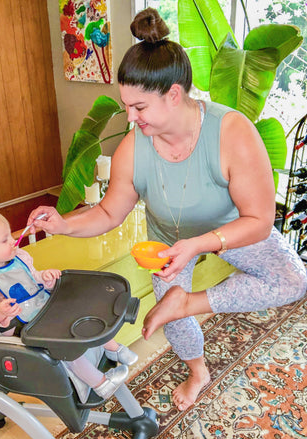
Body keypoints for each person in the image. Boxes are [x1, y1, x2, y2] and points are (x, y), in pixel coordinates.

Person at [26, 8, 307, 411]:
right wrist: (62, 224)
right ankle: (198, 371)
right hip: (167, 243)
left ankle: (185, 302)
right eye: (127, 106)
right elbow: (108, 214)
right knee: (172, 317)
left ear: (174, 94)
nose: (130, 117)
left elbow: (260, 221)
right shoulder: (134, 148)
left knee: (294, 279)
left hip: (232, 230)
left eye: (139, 107)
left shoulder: (232, 133)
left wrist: (199, 246)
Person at [0, 210, 138, 400]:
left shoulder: (19, 258)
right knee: (65, 348)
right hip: (24, 326)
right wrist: (1, 311)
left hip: (43, 310)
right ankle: (101, 384)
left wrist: (46, 277)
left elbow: (34, 279)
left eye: (10, 235)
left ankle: (113, 349)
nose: (13, 240)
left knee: (79, 311)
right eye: (4, 240)